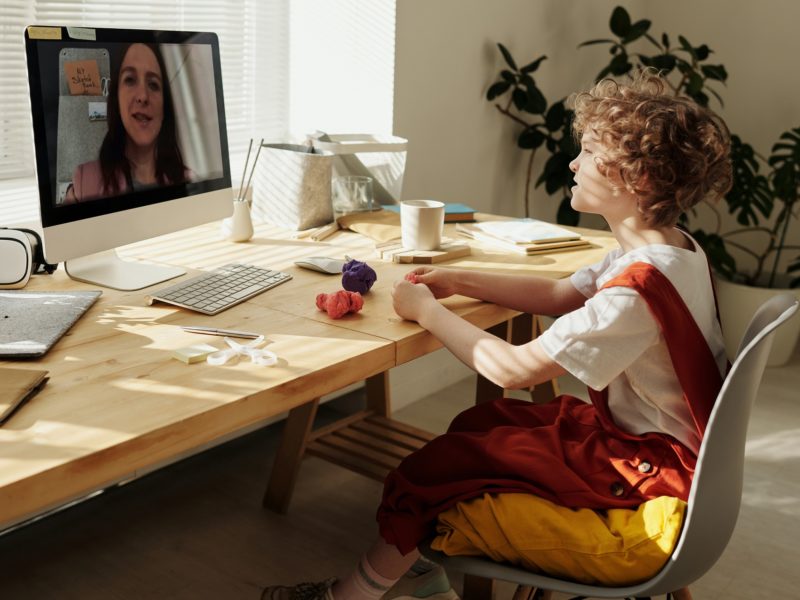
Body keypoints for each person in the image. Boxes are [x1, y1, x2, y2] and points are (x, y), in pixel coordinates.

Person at [261, 71, 732, 600]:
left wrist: (426, 313)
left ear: (636, 178)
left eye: (589, 153)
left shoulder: (635, 291)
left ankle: (347, 596)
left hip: (646, 470)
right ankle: (419, 576)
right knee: (483, 423)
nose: (573, 165)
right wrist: (457, 278)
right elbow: (559, 296)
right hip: (659, 448)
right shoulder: (672, 249)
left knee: (434, 467)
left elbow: (513, 369)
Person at [63, 42, 190, 204]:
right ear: (116, 98)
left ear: (165, 106)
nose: (143, 96)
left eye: (153, 84)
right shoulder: (84, 184)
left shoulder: (191, 181)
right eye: (130, 80)